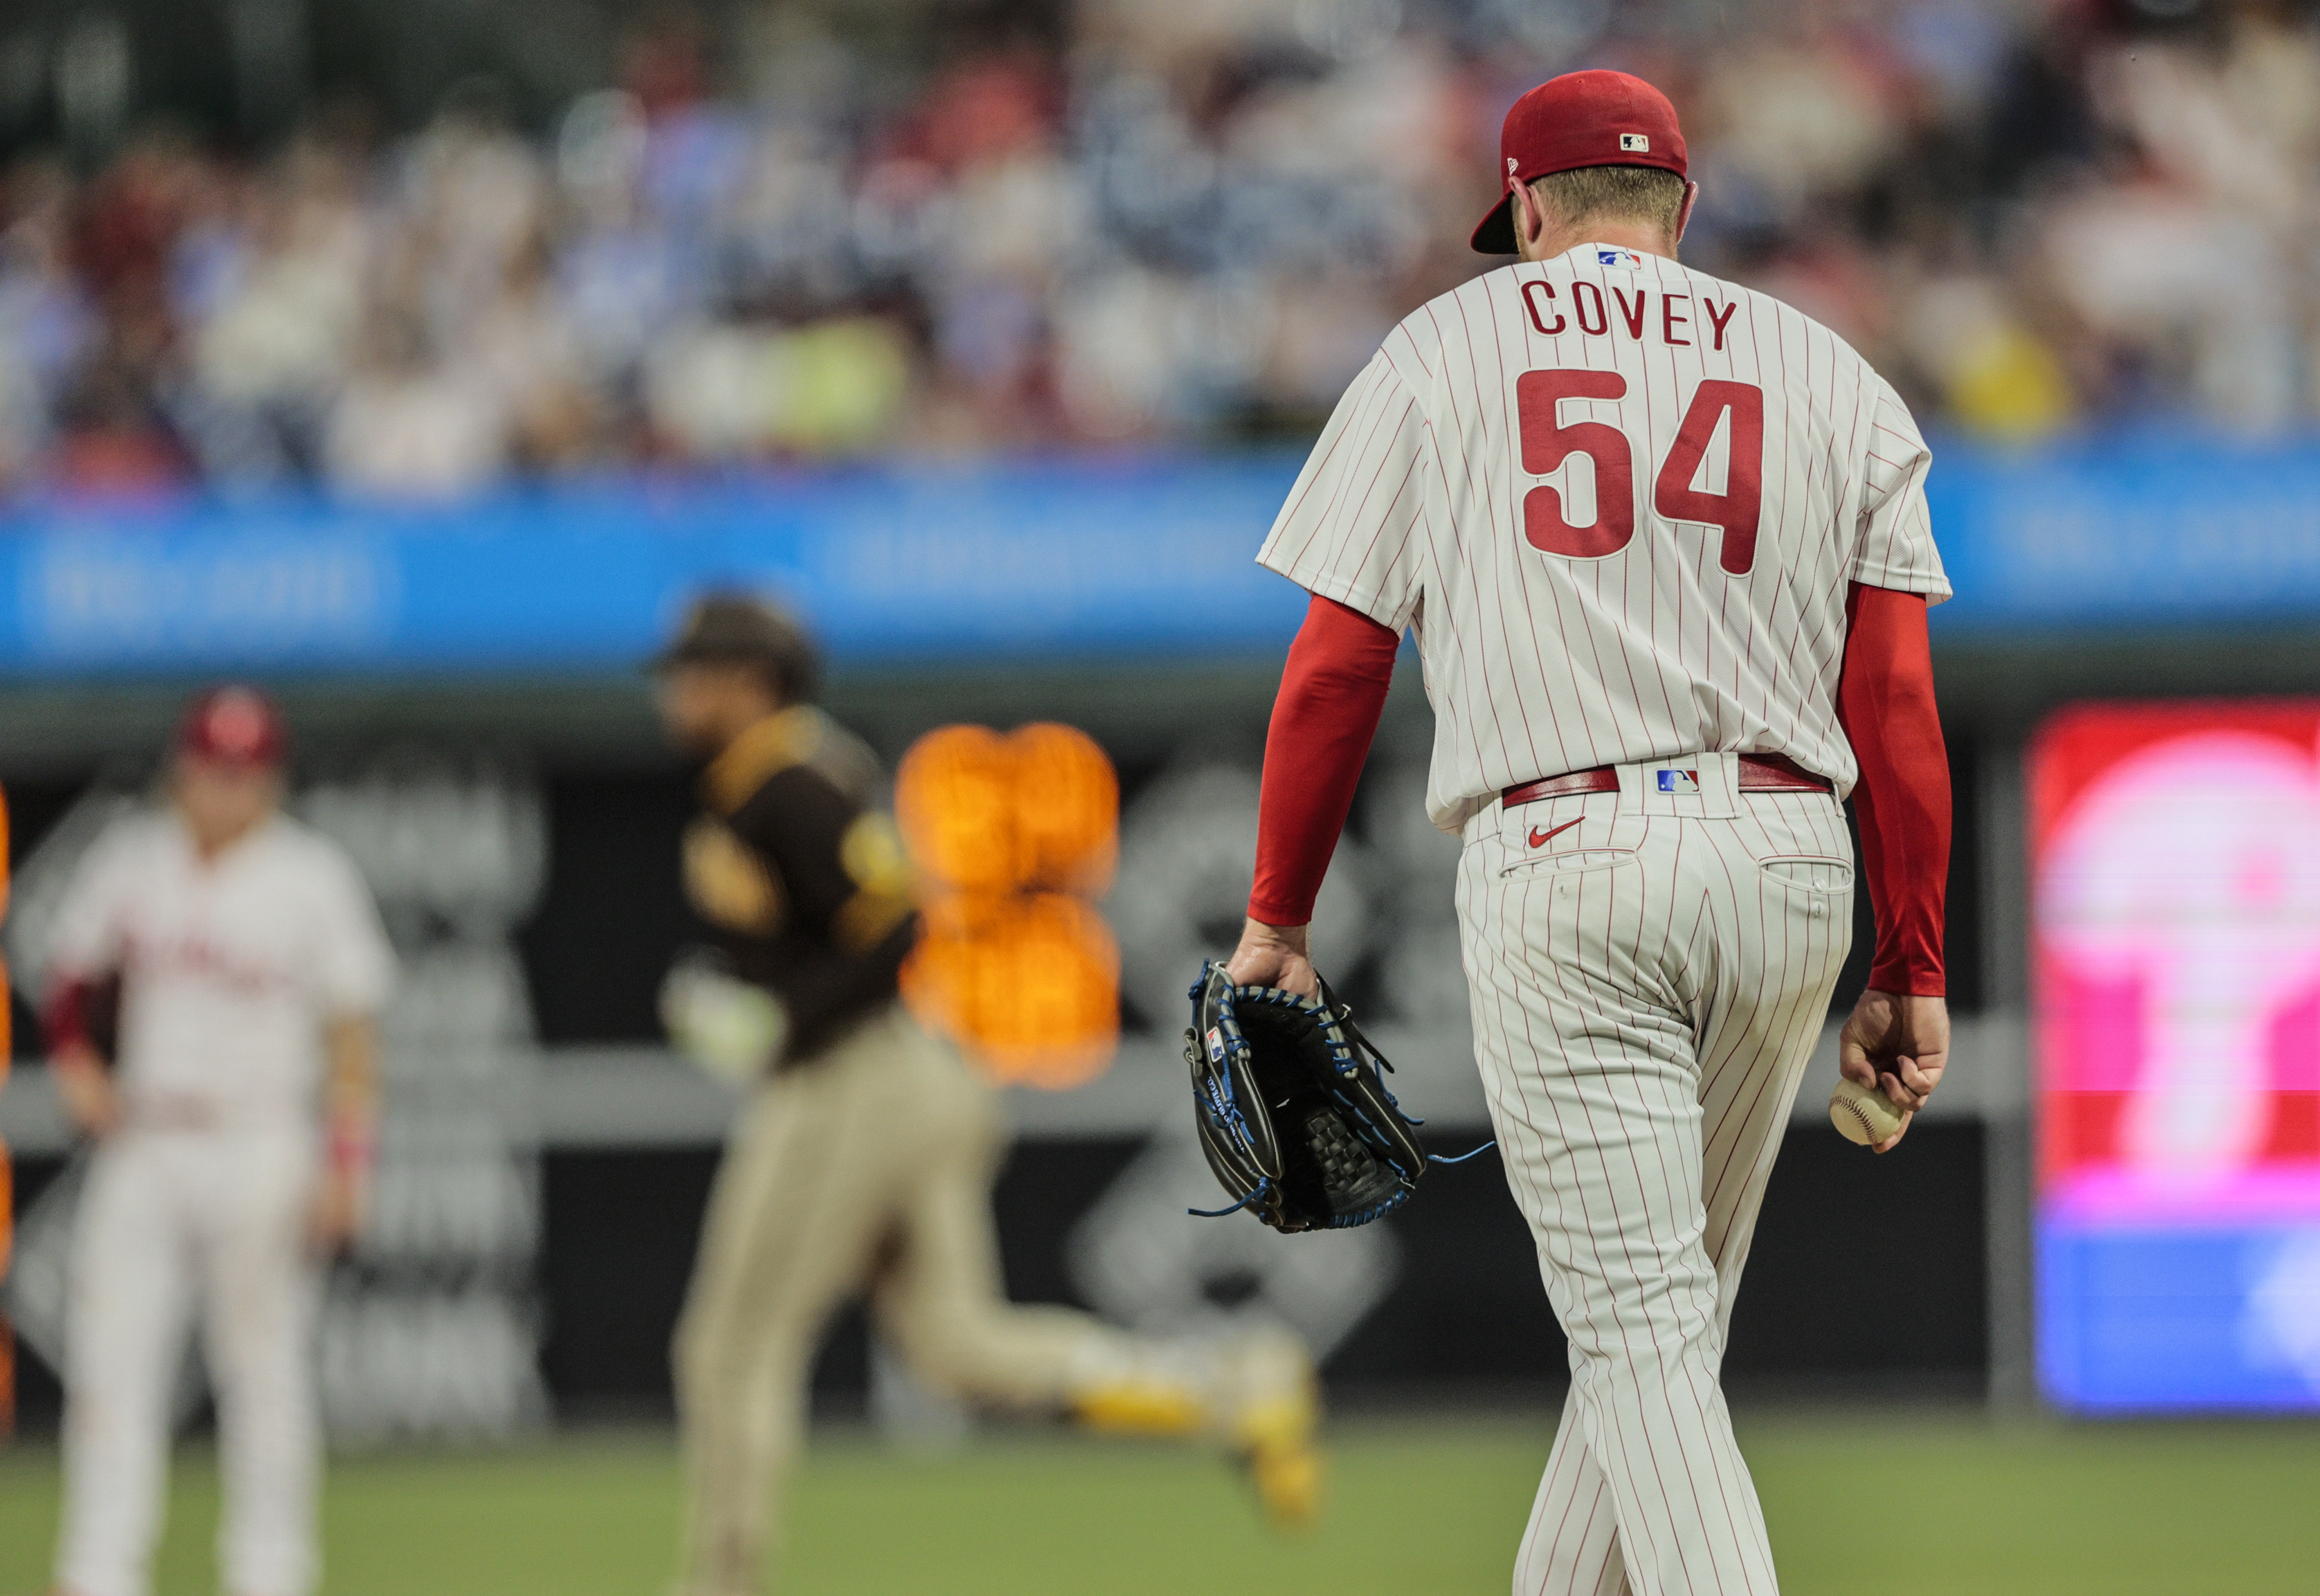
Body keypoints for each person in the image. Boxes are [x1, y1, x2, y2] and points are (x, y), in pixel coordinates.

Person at [1226, 71, 1952, 1596]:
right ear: (1678, 207)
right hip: (1788, 856)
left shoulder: (1441, 349)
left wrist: (1277, 915)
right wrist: (1910, 957)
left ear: (1529, 208)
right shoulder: (1832, 375)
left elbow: (1337, 665)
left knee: (1635, 1337)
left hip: (1570, 863)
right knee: (1658, 1343)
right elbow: (1888, 702)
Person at [651, 593, 1319, 1596]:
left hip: (856, 1082)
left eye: (693, 672)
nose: (674, 692)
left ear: (750, 679)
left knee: (730, 1349)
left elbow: (892, 927)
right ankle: (1232, 1387)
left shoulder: (790, 778)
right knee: (957, 1347)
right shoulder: (763, 778)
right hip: (904, 1079)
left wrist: (778, 1018)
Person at [41, 685, 394, 1596]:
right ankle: (98, 1572)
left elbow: (353, 1030)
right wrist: (77, 1065)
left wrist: (347, 1160)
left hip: (262, 1138)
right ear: (181, 769)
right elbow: (66, 980)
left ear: (270, 779)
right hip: (151, 1139)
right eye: (210, 767)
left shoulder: (309, 874)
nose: (225, 787)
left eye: (244, 771)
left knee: (266, 1377)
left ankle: (270, 1574)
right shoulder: (131, 858)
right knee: (112, 1373)